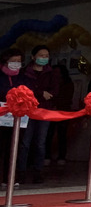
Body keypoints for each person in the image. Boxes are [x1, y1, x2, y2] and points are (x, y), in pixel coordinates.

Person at [17, 46, 60, 184]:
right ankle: (20, 171)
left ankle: (38, 172)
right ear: (33, 57)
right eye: (41, 55)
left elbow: (54, 92)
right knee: (25, 143)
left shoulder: (52, 73)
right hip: (27, 111)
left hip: (44, 112)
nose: (44, 58)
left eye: (46, 55)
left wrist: (41, 94)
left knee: (40, 143)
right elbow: (24, 90)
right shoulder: (24, 73)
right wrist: (41, 93)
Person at [1, 48, 27, 180]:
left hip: (18, 118)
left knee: (14, 146)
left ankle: (10, 177)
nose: (16, 63)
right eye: (13, 61)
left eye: (19, 61)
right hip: (2, 116)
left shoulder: (23, 77)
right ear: (6, 61)